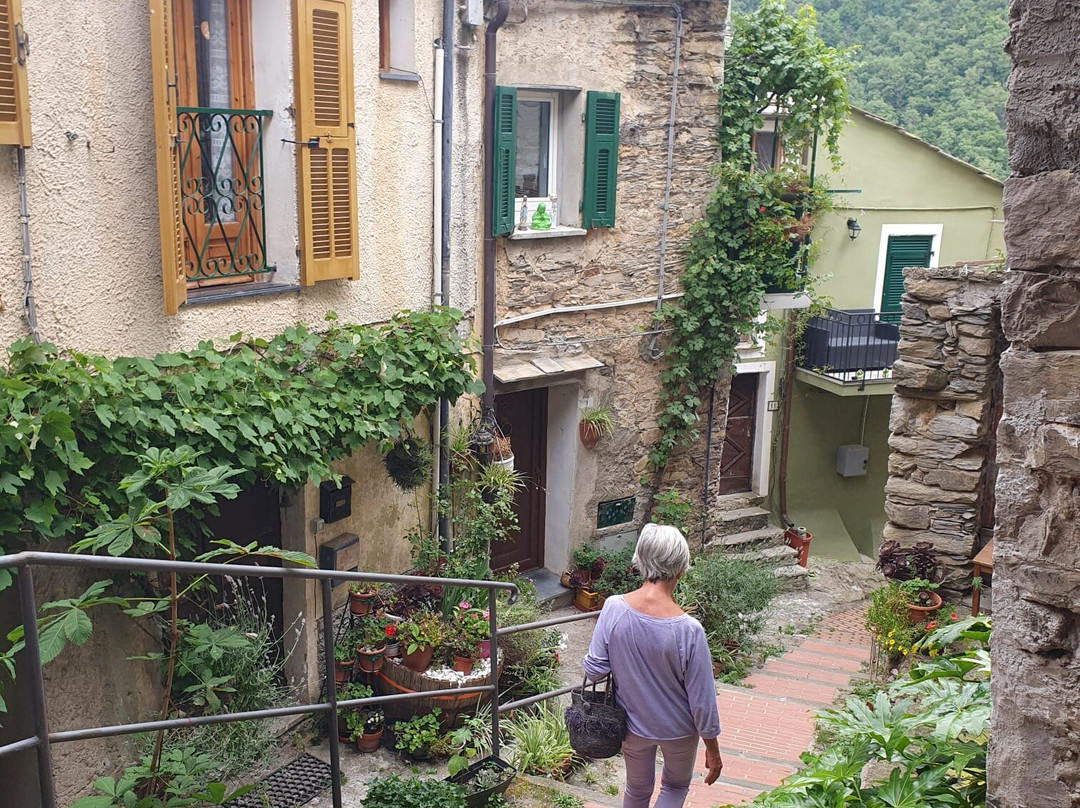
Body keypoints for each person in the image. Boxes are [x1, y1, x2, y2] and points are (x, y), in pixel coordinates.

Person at [582, 523, 723, 808]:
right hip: (680, 731)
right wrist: (713, 750)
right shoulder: (690, 630)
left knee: (636, 789)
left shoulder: (613, 608)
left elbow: (594, 670)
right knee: (674, 787)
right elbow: (702, 700)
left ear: (640, 561)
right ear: (681, 569)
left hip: (633, 725)